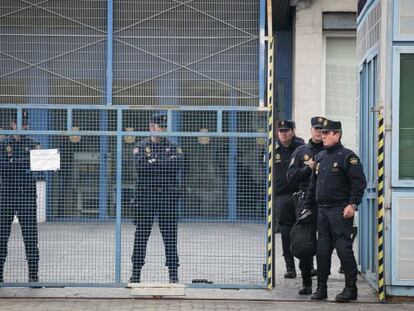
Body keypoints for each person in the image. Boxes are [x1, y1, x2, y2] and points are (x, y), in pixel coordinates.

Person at [304, 119, 367, 302]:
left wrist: (353, 204)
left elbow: (359, 183)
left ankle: (350, 289)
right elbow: (312, 185)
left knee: (343, 250)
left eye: (326, 133)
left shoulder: (348, 157)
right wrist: (307, 206)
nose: (322, 136)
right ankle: (321, 289)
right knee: (322, 251)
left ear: (337, 135)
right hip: (322, 211)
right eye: (321, 133)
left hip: (340, 211)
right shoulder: (321, 157)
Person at [130, 113, 183, 283]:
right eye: (160, 126)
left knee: (170, 236)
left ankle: (173, 275)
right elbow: (141, 168)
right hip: (146, 196)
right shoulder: (140, 146)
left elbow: (177, 166)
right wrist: (163, 164)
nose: (163, 129)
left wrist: (153, 162)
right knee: (141, 235)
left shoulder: (174, 146)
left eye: (165, 126)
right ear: (151, 126)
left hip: (167, 196)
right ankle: (136, 273)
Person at [287, 116, 325, 294]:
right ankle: (307, 282)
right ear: (311, 130)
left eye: (322, 130)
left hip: (325, 202)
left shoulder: (332, 151)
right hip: (305, 202)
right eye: (316, 129)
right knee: (305, 242)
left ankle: (321, 284)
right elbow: (291, 177)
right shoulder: (302, 151)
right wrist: (307, 168)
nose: (319, 132)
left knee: (325, 242)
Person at [0, 117, 40, 284]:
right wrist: (25, 162)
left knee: (31, 236)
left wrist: (14, 163)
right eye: (19, 123)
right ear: (12, 125)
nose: (22, 126)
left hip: (27, 195)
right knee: (2, 235)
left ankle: (33, 275)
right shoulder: (3, 144)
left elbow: (40, 165)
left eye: (25, 123)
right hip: (7, 195)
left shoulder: (33, 144)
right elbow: (2, 166)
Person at [273, 120, 304, 278]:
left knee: (304, 231)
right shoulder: (273, 148)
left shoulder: (301, 147)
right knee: (285, 232)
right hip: (282, 196)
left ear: (293, 131)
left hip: (300, 195)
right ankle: (290, 267)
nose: (283, 134)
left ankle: (307, 266)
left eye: (286, 130)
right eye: (281, 131)